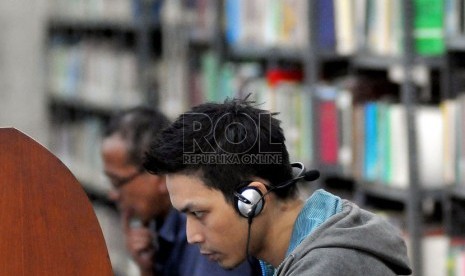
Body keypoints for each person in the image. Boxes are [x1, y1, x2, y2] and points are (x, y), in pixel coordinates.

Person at [143, 97, 413, 275]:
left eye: (199, 213)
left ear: (251, 200)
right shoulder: (301, 250)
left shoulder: (328, 268)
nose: (192, 236)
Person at [101, 106, 257, 276]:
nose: (113, 194)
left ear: (158, 175)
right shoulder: (158, 227)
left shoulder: (206, 241)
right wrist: (147, 270)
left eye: (118, 182)